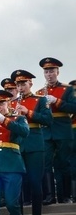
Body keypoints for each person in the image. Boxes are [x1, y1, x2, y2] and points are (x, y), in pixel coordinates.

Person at [11, 70, 52, 215]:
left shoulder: (40, 100)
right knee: (19, 183)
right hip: (17, 145)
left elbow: (48, 120)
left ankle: (36, 214)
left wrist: (28, 112)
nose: (21, 87)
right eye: (18, 84)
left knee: (35, 181)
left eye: (23, 83)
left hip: (35, 143)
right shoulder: (12, 102)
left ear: (30, 83)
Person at [36, 57, 76, 204]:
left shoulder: (68, 89)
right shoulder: (39, 92)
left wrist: (57, 101)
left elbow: (74, 108)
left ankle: (65, 196)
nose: (49, 74)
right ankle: (49, 196)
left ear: (57, 71)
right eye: (46, 71)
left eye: (51, 71)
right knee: (46, 162)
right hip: (46, 131)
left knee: (63, 162)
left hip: (63, 129)